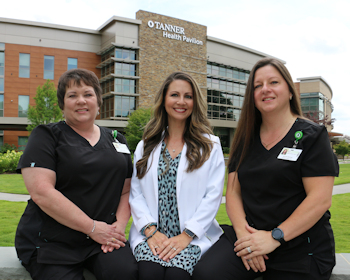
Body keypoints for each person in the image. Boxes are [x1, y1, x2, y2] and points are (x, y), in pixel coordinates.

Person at [192, 58, 339, 280]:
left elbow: (319, 199)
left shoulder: (312, 136)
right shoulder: (245, 138)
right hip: (249, 236)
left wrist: (273, 238)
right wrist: (246, 239)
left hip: (300, 246)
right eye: (257, 86)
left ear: (290, 91)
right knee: (206, 273)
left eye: (273, 82)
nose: (265, 89)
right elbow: (232, 191)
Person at [15, 68, 138, 280]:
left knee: (127, 273)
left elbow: (126, 191)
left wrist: (117, 228)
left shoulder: (117, 140)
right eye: (72, 95)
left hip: (102, 240)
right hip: (52, 243)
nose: (81, 101)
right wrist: (92, 228)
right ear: (63, 105)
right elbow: (41, 192)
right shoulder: (46, 136)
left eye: (88, 94)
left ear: (98, 103)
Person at [129, 71, 225, 280]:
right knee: (149, 273)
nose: (181, 102)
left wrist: (186, 236)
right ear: (164, 100)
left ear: (194, 102)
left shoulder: (209, 145)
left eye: (188, 96)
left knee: (176, 276)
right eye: (174, 95)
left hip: (191, 238)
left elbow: (213, 196)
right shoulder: (146, 145)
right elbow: (136, 193)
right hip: (152, 236)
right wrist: (151, 232)